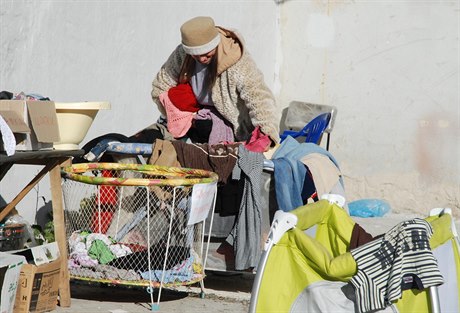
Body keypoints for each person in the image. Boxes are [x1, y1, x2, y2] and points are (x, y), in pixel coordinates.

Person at [151, 16, 280, 146]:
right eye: (196, 55)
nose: (202, 59)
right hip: (195, 119)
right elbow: (160, 87)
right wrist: (181, 114)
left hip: (234, 126)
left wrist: (266, 133)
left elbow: (258, 96)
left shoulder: (237, 60)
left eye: (206, 53)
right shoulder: (182, 55)